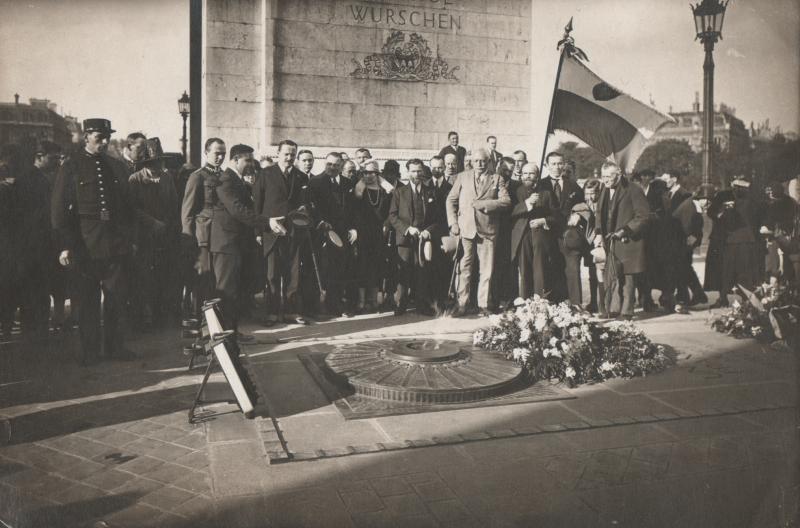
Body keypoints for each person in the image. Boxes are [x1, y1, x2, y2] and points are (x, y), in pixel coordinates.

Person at [51, 118, 136, 364]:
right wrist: (66, 245)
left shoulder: (116, 166)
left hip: (114, 243)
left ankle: (114, 347)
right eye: (99, 138)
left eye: (107, 137)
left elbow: (127, 207)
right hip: (84, 244)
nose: (105, 142)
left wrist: (128, 238)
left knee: (117, 298)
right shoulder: (71, 166)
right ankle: (90, 351)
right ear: (86, 136)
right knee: (87, 301)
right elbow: (59, 211)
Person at [182, 138, 274, 337]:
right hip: (204, 238)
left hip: (221, 237)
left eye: (223, 153)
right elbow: (188, 211)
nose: (220, 156)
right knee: (206, 286)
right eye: (216, 153)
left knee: (223, 287)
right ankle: (206, 331)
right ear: (206, 153)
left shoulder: (225, 176)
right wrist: (189, 241)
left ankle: (221, 331)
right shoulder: (198, 177)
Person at [252, 140, 311, 325]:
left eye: (293, 154)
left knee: (293, 274)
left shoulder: (301, 177)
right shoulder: (266, 174)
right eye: (286, 154)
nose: (289, 158)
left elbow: (305, 203)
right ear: (278, 154)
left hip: (294, 232)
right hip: (272, 231)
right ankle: (271, 312)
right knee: (272, 274)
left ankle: (291, 312)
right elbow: (257, 205)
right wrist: (258, 231)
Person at [446, 148, 511, 317]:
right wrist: (453, 222)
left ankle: (483, 305)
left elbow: (506, 201)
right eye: (476, 161)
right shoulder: (462, 177)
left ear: (489, 162)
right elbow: (450, 200)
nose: (480, 164)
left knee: (486, 270)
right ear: (471, 162)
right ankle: (462, 304)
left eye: (483, 161)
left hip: (487, 231)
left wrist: (485, 204)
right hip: (465, 230)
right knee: (464, 268)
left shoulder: (497, 179)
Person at [127, 138, 181, 328]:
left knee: (163, 275)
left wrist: (170, 226)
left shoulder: (166, 179)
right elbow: (132, 209)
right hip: (143, 236)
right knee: (143, 277)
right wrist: (152, 223)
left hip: (165, 235)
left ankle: (160, 315)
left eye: (160, 162)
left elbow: (174, 205)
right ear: (145, 164)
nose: (157, 166)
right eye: (153, 163)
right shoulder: (135, 180)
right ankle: (143, 317)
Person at [594, 161, 650, 320]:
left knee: (628, 276)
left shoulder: (634, 190)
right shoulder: (604, 189)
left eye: (609, 177)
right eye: (603, 176)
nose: (605, 180)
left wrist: (625, 231)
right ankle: (613, 308)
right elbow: (599, 213)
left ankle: (627, 311)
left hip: (628, 240)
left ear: (618, 175)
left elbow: (643, 216)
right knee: (612, 275)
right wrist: (598, 233)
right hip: (609, 240)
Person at [16, 141, 60, 338]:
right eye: (53, 158)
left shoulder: (47, 177)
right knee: (31, 289)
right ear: (39, 156)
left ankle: (40, 330)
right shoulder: (26, 180)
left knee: (43, 289)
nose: (57, 161)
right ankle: (31, 331)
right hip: (31, 245)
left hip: (44, 244)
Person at [389, 159, 441, 316]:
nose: (416, 174)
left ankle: (421, 305)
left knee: (422, 272)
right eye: (413, 171)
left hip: (424, 240)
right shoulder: (399, 192)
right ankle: (401, 304)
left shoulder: (431, 192)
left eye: (419, 171)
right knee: (403, 271)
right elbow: (392, 216)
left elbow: (438, 218)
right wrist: (407, 229)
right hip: (404, 239)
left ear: (423, 172)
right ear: (407, 172)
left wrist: (428, 231)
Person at [310, 154, 359, 317]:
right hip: (323, 233)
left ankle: (338, 304)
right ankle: (324, 306)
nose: (332, 167)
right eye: (329, 164)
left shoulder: (347, 183)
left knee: (341, 269)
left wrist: (353, 228)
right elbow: (311, 207)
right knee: (326, 270)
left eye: (336, 165)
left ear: (341, 166)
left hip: (343, 233)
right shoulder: (315, 182)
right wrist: (321, 222)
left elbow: (352, 209)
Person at [705, 179, 760, 307]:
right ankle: (722, 297)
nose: (738, 189)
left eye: (742, 187)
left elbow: (756, 216)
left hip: (744, 239)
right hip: (723, 239)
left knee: (743, 270)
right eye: (736, 186)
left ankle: (747, 300)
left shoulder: (752, 198)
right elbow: (711, 212)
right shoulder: (723, 196)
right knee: (722, 269)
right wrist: (722, 211)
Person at [540, 152, 585, 305]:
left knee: (573, 269)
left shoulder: (572, 184)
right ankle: (554, 305)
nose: (557, 167)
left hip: (568, 234)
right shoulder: (541, 185)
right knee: (551, 270)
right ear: (546, 165)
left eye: (559, 163)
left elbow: (584, 203)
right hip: (548, 235)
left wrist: (579, 213)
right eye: (553, 164)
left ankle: (576, 305)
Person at [510, 163, 557, 299]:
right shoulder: (515, 191)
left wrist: (543, 220)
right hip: (522, 235)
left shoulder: (547, 193)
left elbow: (556, 216)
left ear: (537, 175)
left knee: (540, 269)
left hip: (540, 236)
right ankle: (525, 301)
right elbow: (509, 213)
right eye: (525, 173)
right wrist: (527, 204)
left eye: (531, 173)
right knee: (524, 270)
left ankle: (540, 300)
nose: (527, 176)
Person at [353, 159, 393, 313]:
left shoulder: (384, 191)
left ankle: (373, 300)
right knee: (362, 266)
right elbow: (355, 207)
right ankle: (362, 302)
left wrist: (386, 224)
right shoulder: (360, 189)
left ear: (377, 174)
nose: (368, 176)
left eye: (371, 173)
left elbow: (391, 211)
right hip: (363, 233)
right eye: (365, 173)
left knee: (376, 266)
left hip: (379, 233)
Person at [429, 155, 453, 306]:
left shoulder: (450, 188)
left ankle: (443, 298)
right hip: (428, 233)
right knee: (429, 266)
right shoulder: (425, 187)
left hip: (444, 232)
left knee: (444, 266)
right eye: (434, 167)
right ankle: (429, 299)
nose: (437, 170)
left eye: (440, 167)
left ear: (444, 168)